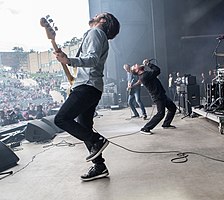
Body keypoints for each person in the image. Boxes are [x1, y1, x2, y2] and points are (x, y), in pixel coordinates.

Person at [53, 12, 120, 182]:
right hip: (91, 87)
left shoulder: (95, 32)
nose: (96, 16)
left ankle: (97, 140)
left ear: (103, 21)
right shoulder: (96, 35)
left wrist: (69, 60)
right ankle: (99, 166)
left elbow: (92, 59)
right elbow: (89, 59)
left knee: (61, 119)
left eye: (100, 15)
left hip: (87, 86)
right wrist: (67, 59)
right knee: (84, 126)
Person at [130, 59, 177, 134]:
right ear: (136, 70)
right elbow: (157, 70)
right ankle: (145, 128)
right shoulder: (144, 76)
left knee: (172, 108)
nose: (136, 64)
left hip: (161, 95)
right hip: (158, 96)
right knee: (160, 114)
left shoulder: (144, 74)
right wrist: (148, 64)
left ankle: (166, 124)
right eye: (135, 66)